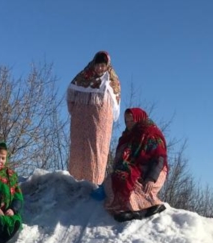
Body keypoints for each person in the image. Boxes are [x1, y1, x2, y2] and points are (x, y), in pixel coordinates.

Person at [104, 107, 168, 222]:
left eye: (131, 120)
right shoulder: (127, 136)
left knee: (134, 185)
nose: (128, 124)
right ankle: (125, 208)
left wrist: (150, 178)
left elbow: (159, 158)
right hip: (135, 169)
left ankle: (144, 207)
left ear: (138, 119)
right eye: (126, 121)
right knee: (114, 179)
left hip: (153, 173)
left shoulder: (151, 133)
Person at [67, 51, 121, 185]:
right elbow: (70, 92)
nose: (99, 68)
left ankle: (93, 183)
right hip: (80, 119)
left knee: (96, 151)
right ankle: (74, 182)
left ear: (107, 65)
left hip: (100, 122)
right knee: (78, 149)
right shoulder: (83, 77)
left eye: (102, 66)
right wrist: (76, 111)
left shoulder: (112, 81)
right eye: (98, 65)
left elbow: (115, 106)